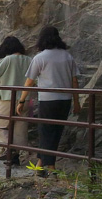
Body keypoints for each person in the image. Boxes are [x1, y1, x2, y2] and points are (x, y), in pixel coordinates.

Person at [17, 26, 81, 176]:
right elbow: (75, 81)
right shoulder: (67, 56)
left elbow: (29, 81)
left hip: (48, 100)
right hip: (65, 100)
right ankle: (40, 165)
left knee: (46, 132)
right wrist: (76, 102)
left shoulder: (40, 57)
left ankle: (51, 168)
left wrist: (21, 101)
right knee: (56, 132)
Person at [0, 36, 32, 165]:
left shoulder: (8, 59)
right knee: (20, 129)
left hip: (8, 98)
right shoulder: (29, 60)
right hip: (26, 98)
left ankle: (10, 149)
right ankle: (15, 156)